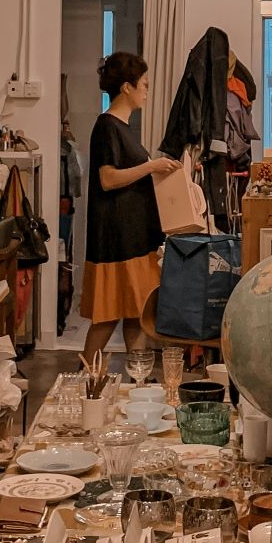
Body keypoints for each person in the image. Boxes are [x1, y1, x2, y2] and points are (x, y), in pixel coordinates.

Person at [82, 53, 181, 360]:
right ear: (127, 87)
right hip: (116, 239)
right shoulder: (107, 126)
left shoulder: (123, 128)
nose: (147, 91)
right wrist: (151, 166)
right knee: (108, 314)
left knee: (136, 312)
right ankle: (86, 380)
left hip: (135, 235)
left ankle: (136, 386)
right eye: (144, 84)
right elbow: (107, 178)